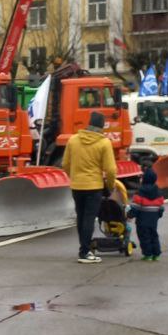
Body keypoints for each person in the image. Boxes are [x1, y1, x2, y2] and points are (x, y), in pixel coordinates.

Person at [62, 111, 118, 263]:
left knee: (80, 217)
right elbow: (111, 169)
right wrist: (110, 185)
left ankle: (84, 248)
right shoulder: (104, 143)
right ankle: (85, 252)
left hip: (77, 186)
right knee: (89, 218)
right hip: (94, 186)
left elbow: (65, 164)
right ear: (101, 127)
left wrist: (74, 177)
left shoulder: (73, 140)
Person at [128, 167, 166, 261]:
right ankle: (156, 254)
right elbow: (161, 206)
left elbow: (135, 207)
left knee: (144, 237)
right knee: (154, 235)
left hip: (142, 219)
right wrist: (159, 214)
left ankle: (148, 254)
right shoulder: (158, 192)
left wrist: (130, 215)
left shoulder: (140, 192)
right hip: (153, 218)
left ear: (144, 179)